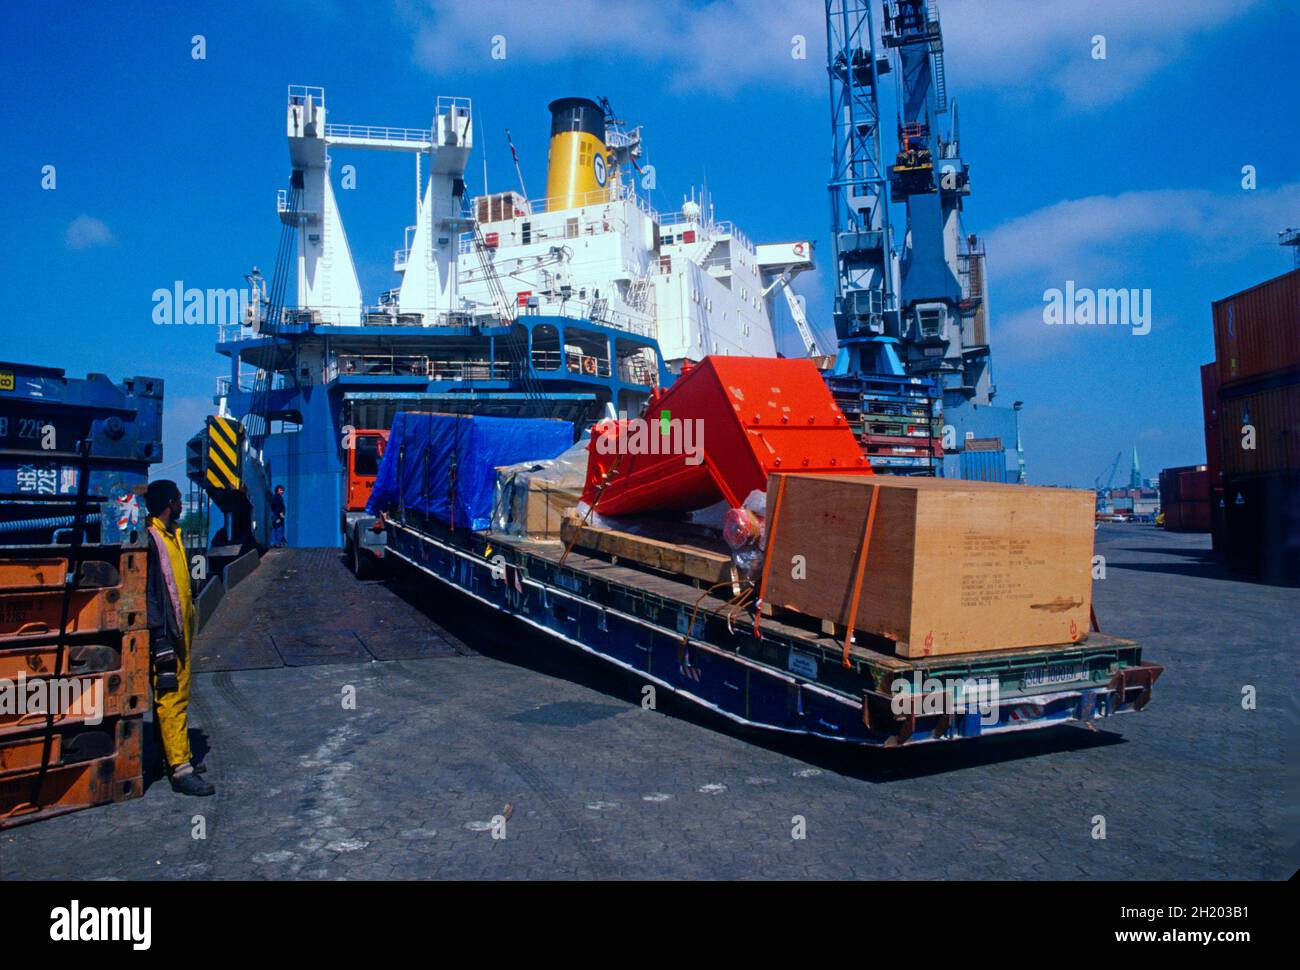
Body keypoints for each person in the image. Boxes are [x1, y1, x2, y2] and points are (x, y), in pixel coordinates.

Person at [144, 479, 214, 797]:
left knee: (179, 694)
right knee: (170, 696)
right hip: (166, 634)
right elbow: (150, 594)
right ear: (169, 504)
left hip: (180, 632)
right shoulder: (152, 539)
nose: (182, 505)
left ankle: (174, 755)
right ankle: (180, 771)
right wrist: (159, 636)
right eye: (177, 500)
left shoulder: (173, 536)